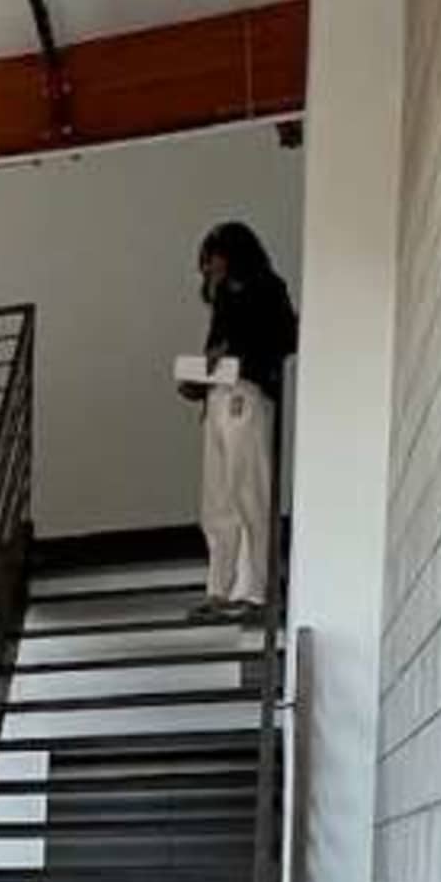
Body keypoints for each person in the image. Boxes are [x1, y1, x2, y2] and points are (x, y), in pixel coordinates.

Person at [190, 217, 296, 615]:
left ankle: (254, 589)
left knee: (247, 490)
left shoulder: (266, 289)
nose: (207, 269)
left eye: (211, 259)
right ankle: (221, 586)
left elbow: (285, 338)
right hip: (220, 395)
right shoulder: (224, 299)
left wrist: (234, 355)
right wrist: (201, 376)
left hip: (245, 392)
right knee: (217, 496)